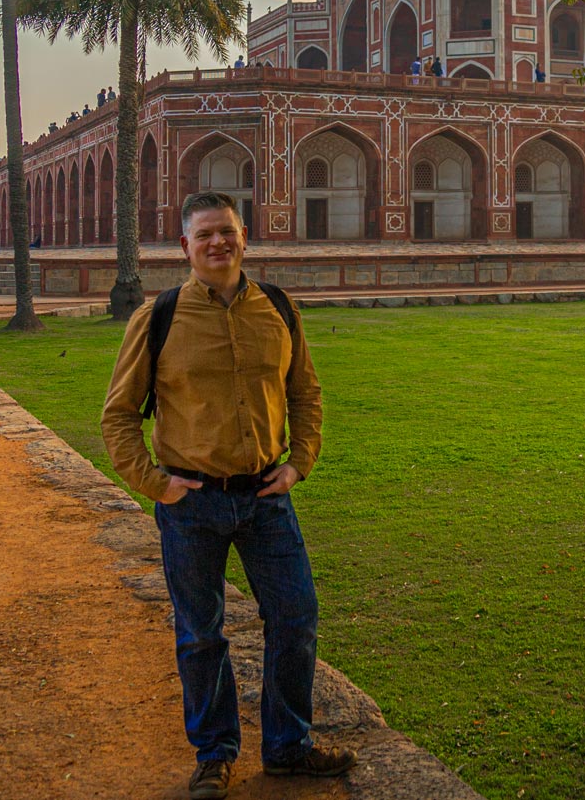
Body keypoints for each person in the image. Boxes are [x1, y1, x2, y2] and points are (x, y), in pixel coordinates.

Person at [101, 193, 355, 792]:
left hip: (267, 496)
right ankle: (214, 752)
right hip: (193, 503)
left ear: (246, 238)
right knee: (201, 632)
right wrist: (158, 486)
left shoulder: (278, 308)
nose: (219, 243)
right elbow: (118, 415)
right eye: (206, 235)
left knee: (295, 619)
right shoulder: (157, 316)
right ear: (184, 246)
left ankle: (288, 746)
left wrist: (300, 464)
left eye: (228, 232)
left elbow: (306, 395)